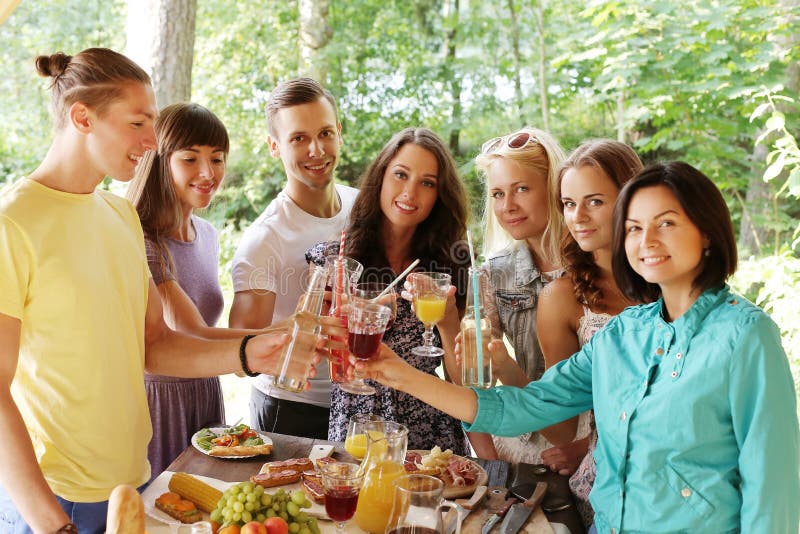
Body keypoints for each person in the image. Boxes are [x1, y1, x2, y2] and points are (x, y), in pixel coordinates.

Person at [357, 161, 800, 533]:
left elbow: (773, 486)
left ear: (706, 232)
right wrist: (395, 370)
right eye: (634, 228)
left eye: (666, 223)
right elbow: (523, 406)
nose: (646, 241)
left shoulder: (745, 335)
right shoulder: (623, 334)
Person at [0, 48, 313, 534]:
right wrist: (50, 522)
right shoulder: (12, 223)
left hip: (135, 483)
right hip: (55, 500)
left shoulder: (121, 217)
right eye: (139, 123)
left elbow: (157, 345)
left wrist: (255, 353)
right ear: (82, 116)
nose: (151, 142)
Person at [127, 103, 286, 477]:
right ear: (160, 160)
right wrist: (281, 333)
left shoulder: (208, 235)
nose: (207, 172)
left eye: (217, 159)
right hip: (161, 403)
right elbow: (192, 332)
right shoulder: (143, 240)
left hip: (205, 391)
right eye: (190, 159)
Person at [306, 127, 470, 454]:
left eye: (427, 183)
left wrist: (448, 320)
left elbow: (460, 381)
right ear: (380, 177)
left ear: (439, 195)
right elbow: (310, 352)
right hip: (355, 431)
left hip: (429, 437)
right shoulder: (332, 261)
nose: (410, 192)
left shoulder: (449, 268)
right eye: (400, 175)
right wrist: (336, 322)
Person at [229, 78, 358, 439]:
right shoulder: (264, 241)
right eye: (298, 138)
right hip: (293, 411)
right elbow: (238, 348)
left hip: (360, 402)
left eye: (325, 133)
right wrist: (299, 324)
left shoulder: (363, 207)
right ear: (275, 146)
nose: (316, 150)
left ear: (339, 134)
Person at [465, 127, 591, 465]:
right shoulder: (493, 275)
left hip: (598, 442)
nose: (508, 206)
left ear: (553, 188)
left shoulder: (596, 262)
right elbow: (471, 381)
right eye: (497, 193)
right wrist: (490, 462)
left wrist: (589, 449)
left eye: (522, 189)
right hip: (527, 439)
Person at [536, 140, 643, 526]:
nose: (577, 216)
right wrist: (503, 370)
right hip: (608, 491)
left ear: (632, 200)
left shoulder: (670, 282)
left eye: (595, 201)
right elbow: (560, 422)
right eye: (568, 203)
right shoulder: (560, 298)